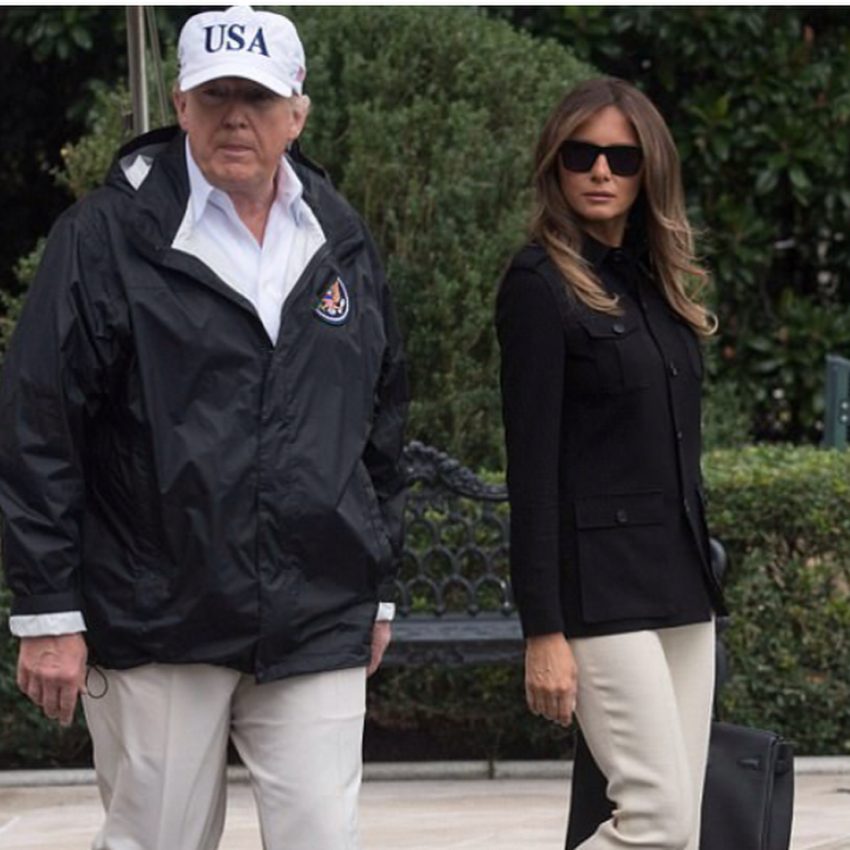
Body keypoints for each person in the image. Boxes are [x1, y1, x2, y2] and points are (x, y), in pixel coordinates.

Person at [0, 7, 408, 850]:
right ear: (180, 103)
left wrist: (376, 583)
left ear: (296, 114)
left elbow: (380, 423)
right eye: (215, 94)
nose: (235, 118)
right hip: (156, 615)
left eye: (257, 98)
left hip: (316, 608)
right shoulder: (104, 238)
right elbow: (39, 426)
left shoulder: (341, 240)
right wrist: (48, 613)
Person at [495, 77, 727, 850]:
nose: (601, 171)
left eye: (622, 158)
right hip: (597, 595)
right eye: (582, 154)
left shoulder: (660, 286)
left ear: (649, 169)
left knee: (681, 830)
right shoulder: (538, 285)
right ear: (554, 163)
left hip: (681, 584)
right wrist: (543, 630)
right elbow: (531, 473)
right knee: (657, 819)